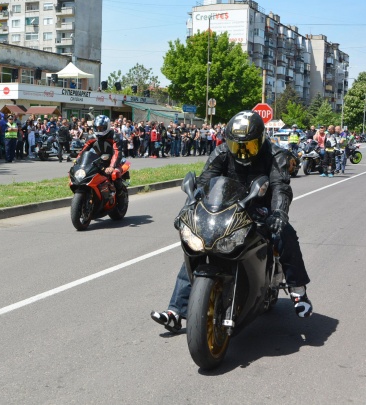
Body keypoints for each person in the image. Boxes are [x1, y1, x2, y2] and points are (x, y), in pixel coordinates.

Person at [151, 111, 312, 334]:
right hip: (228, 209)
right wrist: (187, 208)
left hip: (261, 208)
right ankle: (176, 312)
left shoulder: (276, 155)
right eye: (237, 146)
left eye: (249, 146)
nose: (243, 153)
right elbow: (204, 183)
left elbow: (280, 187)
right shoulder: (222, 151)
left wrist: (279, 213)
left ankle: (297, 289)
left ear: (261, 139)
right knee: (197, 247)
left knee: (285, 233)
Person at [76, 115, 126, 197]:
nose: (99, 130)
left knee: (115, 174)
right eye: (97, 128)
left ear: (107, 126)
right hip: (99, 161)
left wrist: (112, 166)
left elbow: (117, 152)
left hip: (114, 160)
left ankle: (120, 195)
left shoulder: (114, 136)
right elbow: (83, 151)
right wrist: (77, 161)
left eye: (102, 128)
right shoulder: (91, 137)